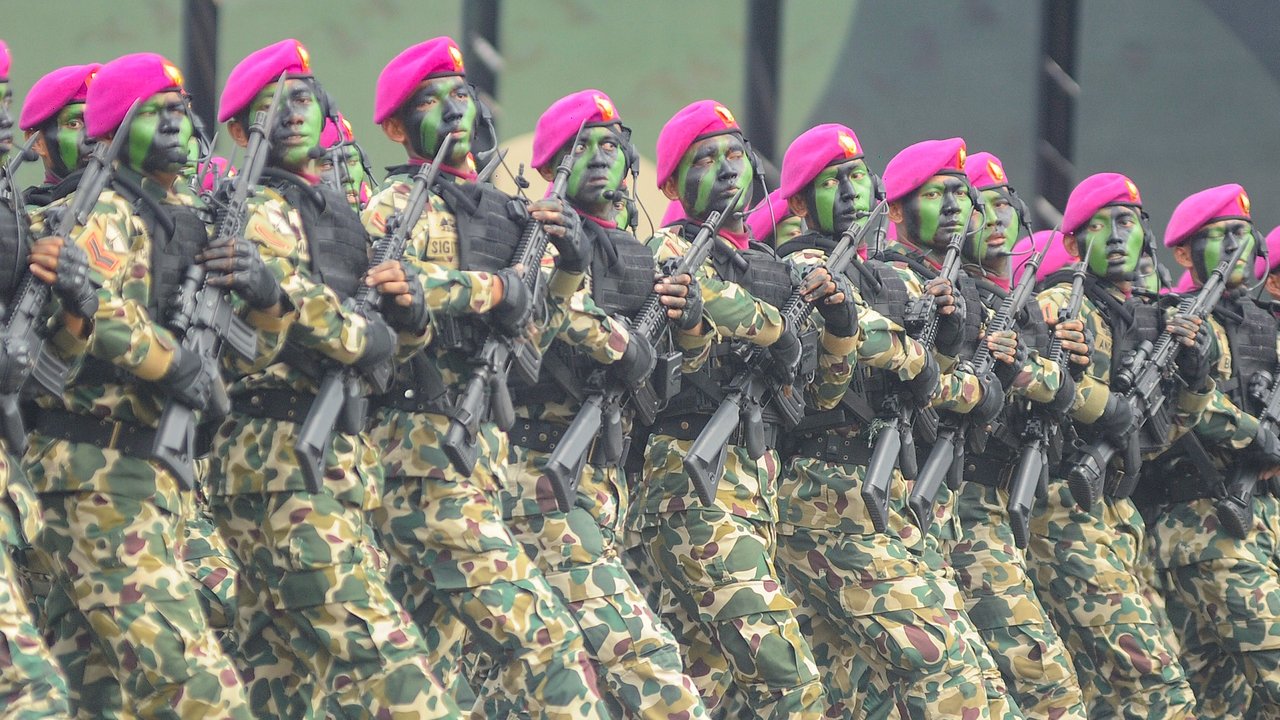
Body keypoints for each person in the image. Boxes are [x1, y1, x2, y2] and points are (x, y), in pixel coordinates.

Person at [203, 38, 457, 719]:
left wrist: (410, 317)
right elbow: (310, 314)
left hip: (328, 463)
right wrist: (367, 335)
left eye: (302, 99)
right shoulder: (254, 210)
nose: (292, 113)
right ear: (240, 133)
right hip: (278, 460)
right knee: (391, 668)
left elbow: (382, 336)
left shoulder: (335, 214)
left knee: (285, 682)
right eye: (270, 106)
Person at [362, 37, 611, 718]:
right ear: (395, 127)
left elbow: (539, 336)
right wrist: (495, 289)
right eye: (430, 100)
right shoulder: (393, 206)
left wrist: (567, 268)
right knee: (548, 641)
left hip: (481, 461)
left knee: (421, 672)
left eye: (461, 95)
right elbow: (389, 285)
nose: (453, 109)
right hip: (420, 458)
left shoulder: (508, 215)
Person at [23, 51, 253, 718]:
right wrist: (173, 363)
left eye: (181, 111)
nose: (177, 125)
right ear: (118, 129)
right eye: (156, 114)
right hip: (97, 476)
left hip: (148, 475)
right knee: (199, 690)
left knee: (92, 691)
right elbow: (93, 308)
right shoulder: (103, 212)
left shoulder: (179, 214)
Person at [491, 88, 710, 719]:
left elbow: (680, 374)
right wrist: (624, 344)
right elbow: (540, 315)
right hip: (540, 469)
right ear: (551, 167)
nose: (600, 155)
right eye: (580, 146)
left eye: (611, 144)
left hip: (605, 479)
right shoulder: (535, 234)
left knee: (530, 684)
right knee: (647, 662)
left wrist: (691, 327)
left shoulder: (639, 253)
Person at [770, 123, 988, 720]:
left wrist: (945, 340)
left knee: (867, 695)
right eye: (830, 182)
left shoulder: (891, 276)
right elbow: (862, 336)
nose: (849, 192)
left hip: (884, 489)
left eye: (856, 177)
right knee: (946, 667)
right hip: (825, 492)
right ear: (797, 203)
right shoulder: (801, 264)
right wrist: (921, 358)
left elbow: (931, 382)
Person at [1029, 172, 1205, 718]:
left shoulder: (1144, 317)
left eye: (1126, 222)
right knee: (1159, 688)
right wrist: (1106, 406)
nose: (1116, 235)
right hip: (1063, 511)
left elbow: (1160, 436)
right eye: (1099, 226)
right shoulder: (1060, 304)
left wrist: (1196, 380)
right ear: (1073, 244)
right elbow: (1039, 380)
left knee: (1107, 693)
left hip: (1117, 516)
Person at [876, 137, 1018, 719]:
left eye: (962, 193)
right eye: (937, 194)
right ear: (895, 210)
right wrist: (981, 390)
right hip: (884, 497)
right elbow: (912, 375)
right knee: (963, 689)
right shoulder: (888, 278)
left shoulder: (960, 288)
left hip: (935, 502)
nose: (957, 204)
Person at [944, 150, 1089, 718]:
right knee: (1047, 688)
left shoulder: (1021, 307)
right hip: (965, 504)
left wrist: (1066, 364)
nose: (997, 218)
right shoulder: (951, 294)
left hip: (1003, 503)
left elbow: (1063, 401)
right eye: (982, 206)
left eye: (1006, 205)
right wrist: (1049, 375)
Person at [1138, 183, 1280, 719]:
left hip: (1261, 517)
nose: (1235, 247)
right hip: (1201, 524)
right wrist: (1257, 436)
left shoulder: (1264, 323)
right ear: (1183, 254)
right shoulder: (1175, 320)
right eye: (1220, 236)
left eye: (1242, 233)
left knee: (1224, 701)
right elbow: (1183, 402)